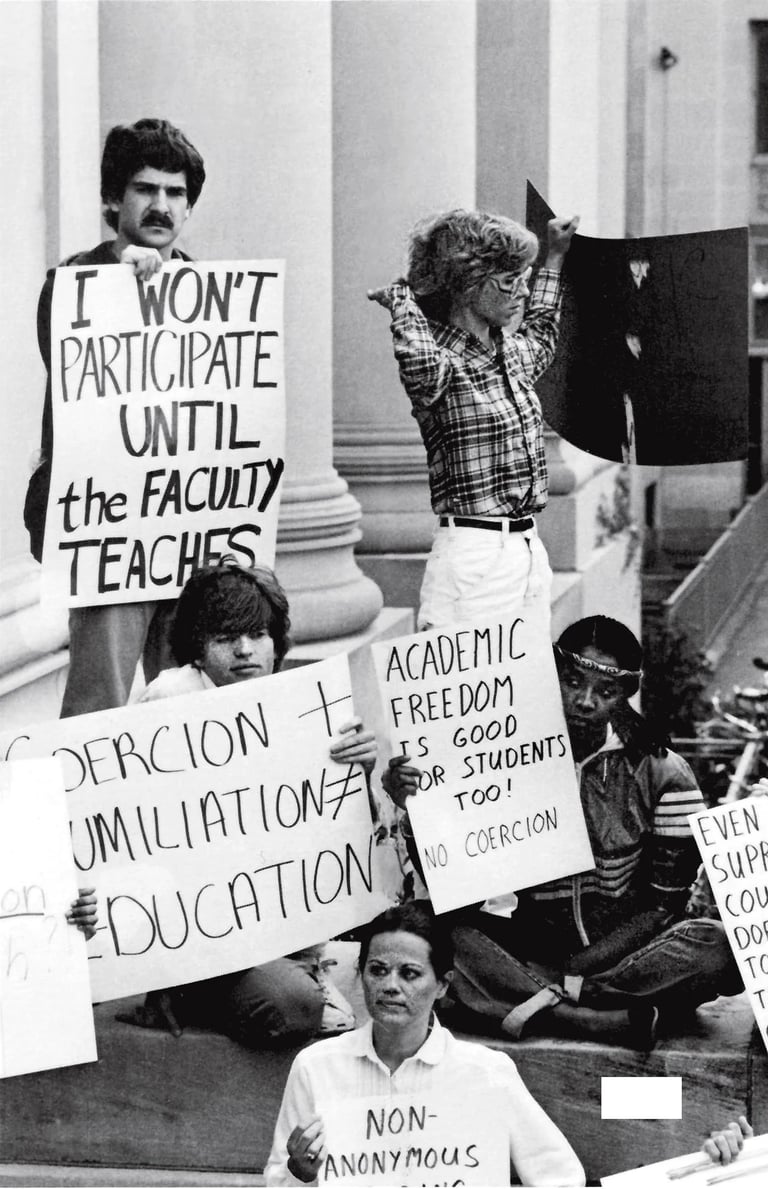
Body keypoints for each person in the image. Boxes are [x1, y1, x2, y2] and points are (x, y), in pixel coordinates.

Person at [385, 615, 741, 1048]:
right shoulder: (498, 755)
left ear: (624, 695)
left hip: (625, 959)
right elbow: (463, 890)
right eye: (572, 682)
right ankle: (589, 1020)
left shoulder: (662, 772)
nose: (586, 701)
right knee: (424, 935)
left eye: (605, 691)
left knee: (719, 947)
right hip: (531, 950)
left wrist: (578, 970)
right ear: (550, 676)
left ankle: (540, 1003)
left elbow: (662, 906)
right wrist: (416, 811)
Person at [119, 556, 374, 1049]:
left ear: (276, 640)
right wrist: (164, 968)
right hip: (199, 930)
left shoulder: (299, 701)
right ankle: (200, 991)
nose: (244, 651)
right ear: (197, 647)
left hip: (273, 915)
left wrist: (358, 770)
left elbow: (336, 832)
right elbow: (140, 838)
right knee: (292, 1007)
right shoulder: (170, 700)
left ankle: (297, 967)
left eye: (257, 634)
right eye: (224, 638)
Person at [24, 117, 206, 717]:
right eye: (145, 189)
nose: (161, 205)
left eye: (175, 193)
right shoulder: (74, 284)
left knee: (191, 697)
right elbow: (69, 346)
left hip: (188, 524)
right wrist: (121, 278)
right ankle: (80, 811)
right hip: (111, 531)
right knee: (99, 698)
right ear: (114, 199)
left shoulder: (210, 292)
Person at [264, 901, 585, 1187]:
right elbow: (279, 1181)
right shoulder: (316, 1066)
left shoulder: (487, 1073)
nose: (391, 985)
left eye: (410, 973)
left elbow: (561, 1177)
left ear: (443, 985)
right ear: (361, 974)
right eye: (378, 970)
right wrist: (299, 1173)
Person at [368, 207, 578, 630]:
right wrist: (403, 304)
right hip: (471, 556)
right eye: (508, 281)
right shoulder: (442, 363)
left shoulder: (511, 352)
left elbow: (542, 329)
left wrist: (555, 257)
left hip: (528, 549)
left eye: (523, 279)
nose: (521, 291)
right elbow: (420, 368)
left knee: (523, 688)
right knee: (467, 691)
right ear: (467, 284)